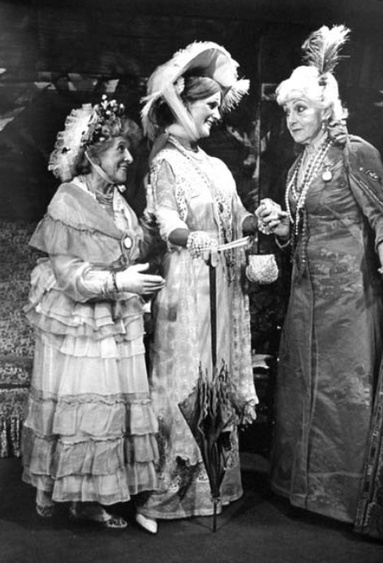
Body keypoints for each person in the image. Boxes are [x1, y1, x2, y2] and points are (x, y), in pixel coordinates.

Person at [256, 26, 383, 548]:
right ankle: (301, 492)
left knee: (344, 398)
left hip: (350, 299)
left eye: (300, 109)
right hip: (307, 297)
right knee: (303, 389)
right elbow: (305, 228)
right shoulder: (302, 163)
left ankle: (348, 501)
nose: (291, 120)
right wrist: (284, 227)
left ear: (325, 109)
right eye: (287, 111)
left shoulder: (356, 151)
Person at [21, 96, 165, 529]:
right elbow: (69, 276)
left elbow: (129, 249)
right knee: (86, 409)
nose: (129, 156)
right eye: (119, 148)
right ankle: (77, 497)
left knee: (111, 409)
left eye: (128, 147)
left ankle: (98, 494)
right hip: (82, 319)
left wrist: (152, 234)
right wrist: (120, 283)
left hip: (116, 315)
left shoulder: (118, 200)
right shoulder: (69, 198)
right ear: (91, 155)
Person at [135, 42, 258, 534]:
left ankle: (215, 485)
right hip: (187, 293)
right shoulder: (165, 163)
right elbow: (166, 221)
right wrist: (192, 236)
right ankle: (169, 491)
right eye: (209, 107)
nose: (215, 116)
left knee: (217, 372)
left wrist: (256, 219)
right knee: (186, 379)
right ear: (183, 107)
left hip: (221, 288)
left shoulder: (212, 163)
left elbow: (235, 211)